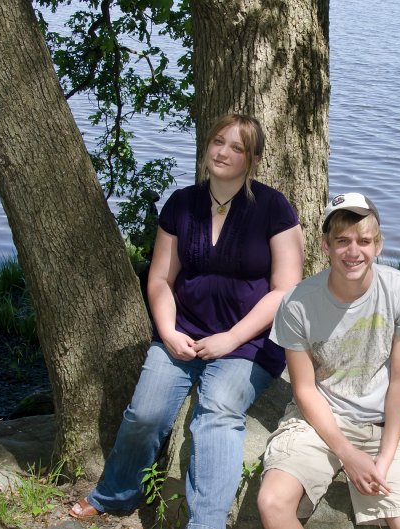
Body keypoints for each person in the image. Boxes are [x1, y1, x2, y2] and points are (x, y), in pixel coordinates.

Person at [69, 113, 305, 529]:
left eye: (237, 147)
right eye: (218, 141)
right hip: (183, 335)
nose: (224, 152)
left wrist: (230, 339)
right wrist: (168, 332)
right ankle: (116, 494)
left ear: (253, 160)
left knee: (217, 413)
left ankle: (206, 524)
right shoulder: (182, 204)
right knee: (145, 413)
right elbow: (160, 278)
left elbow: (285, 290)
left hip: (249, 343)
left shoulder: (274, 208)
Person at [257, 192, 400, 529]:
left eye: (364, 241)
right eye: (342, 241)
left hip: (381, 426)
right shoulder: (297, 303)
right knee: (271, 502)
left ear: (378, 245)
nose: (354, 251)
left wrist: (382, 458)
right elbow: (304, 389)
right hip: (316, 424)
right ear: (325, 246)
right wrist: (348, 455)